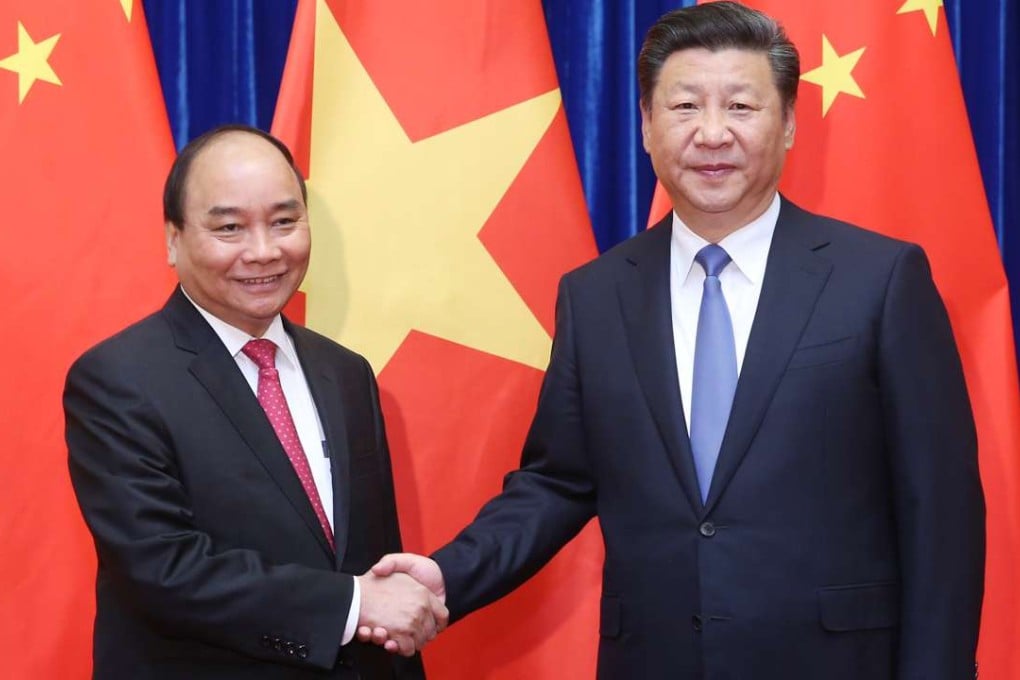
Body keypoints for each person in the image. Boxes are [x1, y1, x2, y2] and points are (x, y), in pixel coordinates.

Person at [365, 3, 985, 678]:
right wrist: (444, 576)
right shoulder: (596, 295)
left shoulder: (881, 279)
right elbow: (556, 482)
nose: (712, 134)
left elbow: (940, 514)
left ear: (789, 126)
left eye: (742, 107)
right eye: (685, 106)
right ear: (646, 127)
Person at [64, 125, 446, 679]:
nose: (264, 251)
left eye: (285, 222)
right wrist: (351, 605)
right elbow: (163, 569)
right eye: (229, 228)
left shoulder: (346, 373)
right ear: (173, 239)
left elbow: (374, 571)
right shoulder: (117, 379)